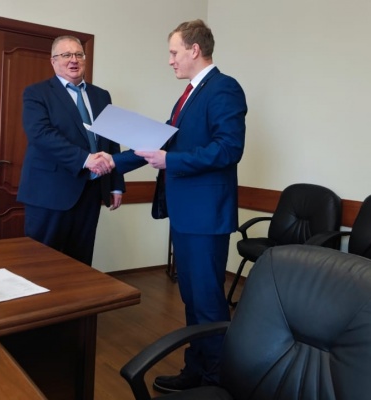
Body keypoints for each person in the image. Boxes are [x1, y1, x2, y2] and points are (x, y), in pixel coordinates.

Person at [113, 19, 247, 392]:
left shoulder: (224, 88)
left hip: (205, 215)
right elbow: (160, 140)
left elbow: (228, 148)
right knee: (192, 298)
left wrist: (171, 161)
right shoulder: (188, 95)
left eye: (174, 52)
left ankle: (215, 381)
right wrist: (112, 161)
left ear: (194, 49)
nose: (170, 60)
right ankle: (196, 369)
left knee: (207, 302)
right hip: (188, 214)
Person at [17, 35, 124, 266]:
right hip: (49, 193)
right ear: (53, 61)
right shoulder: (36, 93)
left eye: (78, 54)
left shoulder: (101, 95)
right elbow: (41, 135)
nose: (73, 60)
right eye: (66, 55)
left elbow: (111, 140)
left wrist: (116, 184)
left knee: (81, 264)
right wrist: (86, 159)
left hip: (91, 192)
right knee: (42, 263)